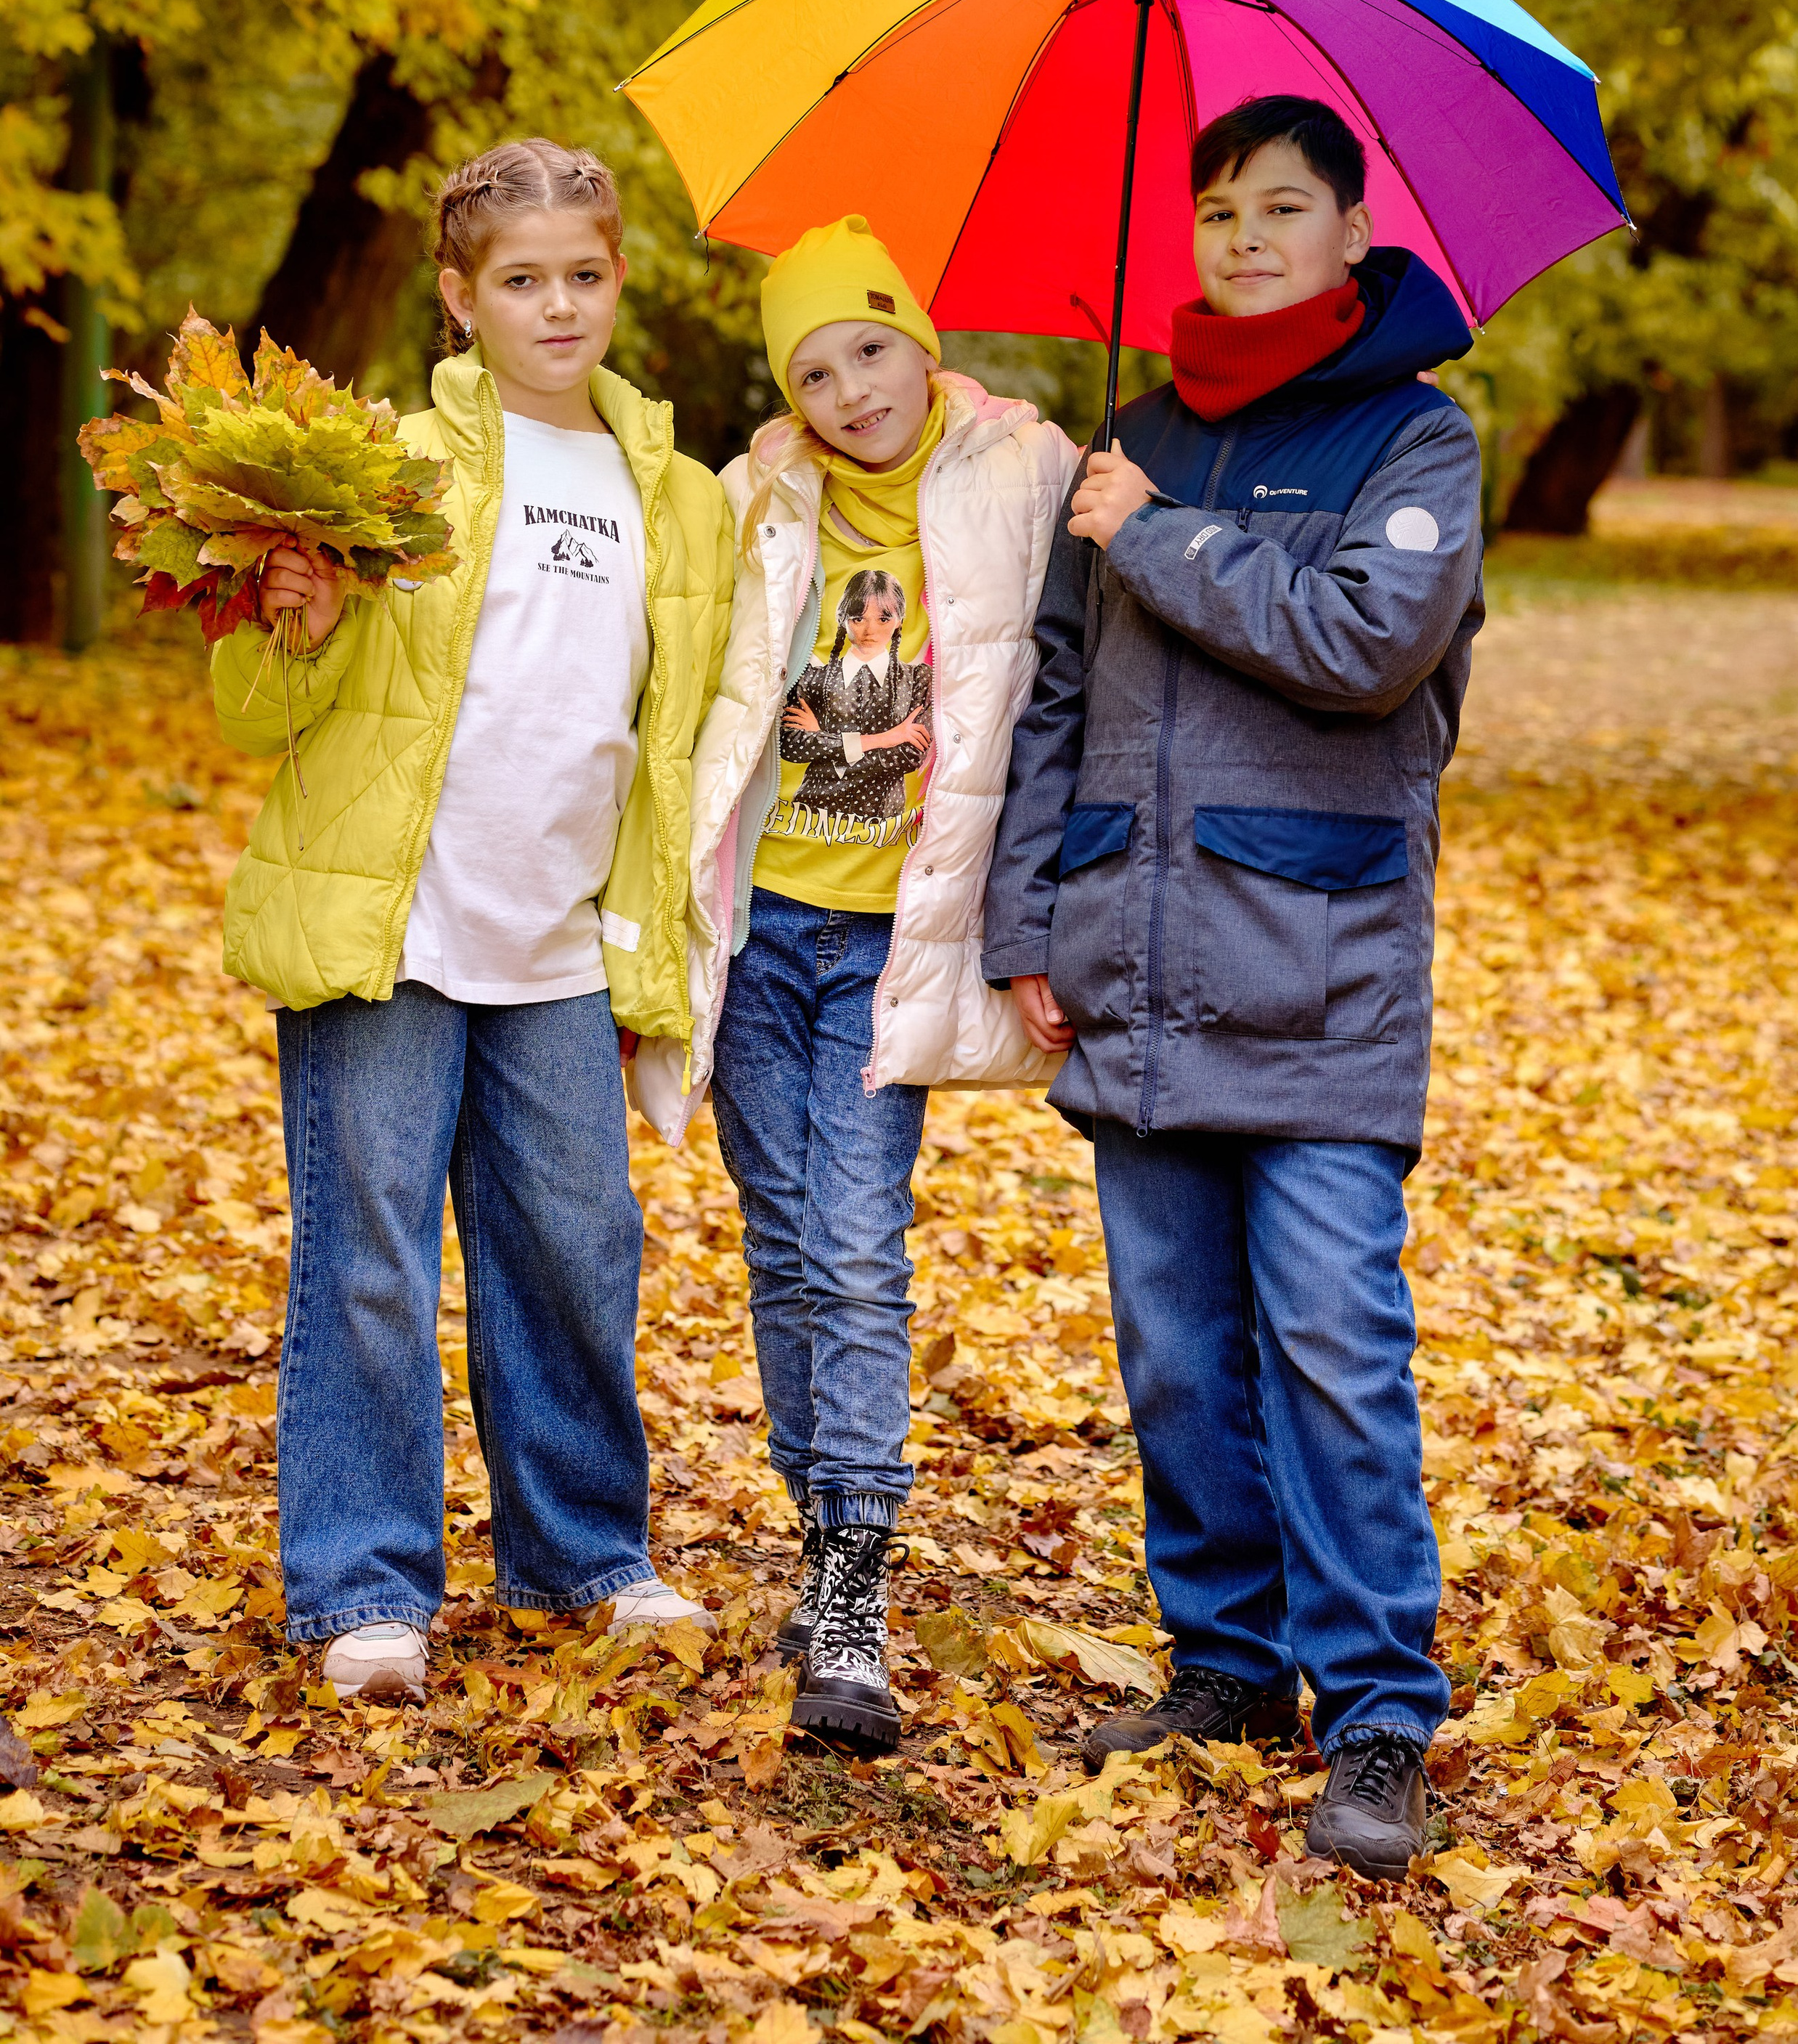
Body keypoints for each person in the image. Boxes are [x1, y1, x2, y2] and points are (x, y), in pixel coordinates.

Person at [983, 94, 1483, 1880]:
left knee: (1333, 1350)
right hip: (1133, 959)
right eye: (1215, 208)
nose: (1243, 235)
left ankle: (1372, 1710)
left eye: (1282, 206)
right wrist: (1026, 922)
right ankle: (1223, 1662)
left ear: (1352, 233)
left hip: (1321, 972)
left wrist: (1157, 538)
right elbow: (1055, 694)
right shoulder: (1134, 436)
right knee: (1175, 1354)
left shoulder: (1413, 442)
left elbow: (1363, 646)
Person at [213, 138, 733, 1699]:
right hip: (395, 925)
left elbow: (686, 722)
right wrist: (295, 623)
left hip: (566, 941)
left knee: (577, 1247)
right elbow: (251, 705)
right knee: (368, 1254)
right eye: (521, 281)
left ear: (618, 280)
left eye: (582, 274)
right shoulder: (382, 468)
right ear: (459, 299)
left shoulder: (680, 498)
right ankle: (362, 1582)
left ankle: (580, 1549)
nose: (556, 305)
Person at [666, 216, 1076, 1753]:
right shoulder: (748, 500)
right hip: (760, 930)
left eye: (870, 347)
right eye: (814, 367)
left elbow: (1072, 695)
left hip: (895, 943)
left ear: (923, 340)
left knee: (851, 1246)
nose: (850, 390)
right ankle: (816, 1527)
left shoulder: (1022, 473)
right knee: (784, 1251)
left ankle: (851, 1582)